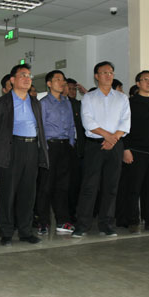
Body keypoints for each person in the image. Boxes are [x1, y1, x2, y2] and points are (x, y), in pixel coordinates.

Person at [0, 64, 49, 246]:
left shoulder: (35, 102)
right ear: (12, 79)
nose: (27, 78)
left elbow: (40, 128)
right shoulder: (2, 102)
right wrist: (6, 144)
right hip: (11, 148)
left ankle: (25, 231)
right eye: (23, 75)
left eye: (29, 75)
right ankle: (6, 232)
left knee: (28, 193)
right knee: (8, 192)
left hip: (32, 148)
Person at [72, 61, 130, 238]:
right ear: (96, 76)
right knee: (89, 186)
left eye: (111, 72)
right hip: (95, 146)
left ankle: (106, 225)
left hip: (115, 146)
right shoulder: (89, 97)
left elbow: (125, 122)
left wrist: (113, 139)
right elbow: (88, 121)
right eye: (104, 72)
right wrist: (107, 136)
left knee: (111, 186)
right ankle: (82, 225)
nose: (108, 75)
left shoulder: (122, 98)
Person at [119, 71, 149, 233]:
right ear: (138, 83)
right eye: (145, 80)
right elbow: (124, 128)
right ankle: (133, 221)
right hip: (136, 151)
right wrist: (126, 149)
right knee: (134, 188)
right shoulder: (130, 103)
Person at [36, 70, 76, 235]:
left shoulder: (67, 103)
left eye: (63, 79)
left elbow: (72, 125)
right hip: (50, 147)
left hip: (65, 147)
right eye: (57, 79)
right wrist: (44, 148)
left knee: (63, 186)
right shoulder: (43, 103)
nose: (62, 82)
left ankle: (62, 221)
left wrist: (71, 143)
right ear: (49, 84)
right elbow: (40, 127)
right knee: (46, 186)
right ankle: (43, 222)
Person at [66, 77, 86, 220]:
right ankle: (68, 213)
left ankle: (77, 211)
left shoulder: (79, 105)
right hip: (65, 148)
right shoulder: (61, 104)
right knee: (67, 183)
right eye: (70, 88)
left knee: (78, 182)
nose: (73, 91)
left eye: (75, 89)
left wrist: (86, 93)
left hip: (79, 148)